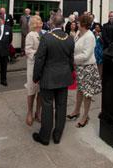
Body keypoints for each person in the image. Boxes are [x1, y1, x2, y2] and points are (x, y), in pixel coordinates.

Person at [32, 15, 74, 145]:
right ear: (62, 24)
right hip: (64, 77)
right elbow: (71, 60)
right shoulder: (69, 39)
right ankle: (57, 135)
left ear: (52, 23)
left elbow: (39, 60)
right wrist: (69, 72)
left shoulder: (47, 38)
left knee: (47, 106)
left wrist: (36, 76)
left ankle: (45, 137)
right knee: (61, 106)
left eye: (50, 21)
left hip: (49, 78)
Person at [67, 14, 101, 128]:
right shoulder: (78, 33)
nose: (76, 23)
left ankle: (85, 116)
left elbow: (86, 55)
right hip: (80, 67)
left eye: (78, 22)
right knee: (80, 90)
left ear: (83, 24)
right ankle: (76, 111)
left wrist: (72, 59)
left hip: (88, 67)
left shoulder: (90, 36)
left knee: (87, 93)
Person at [25, 16, 42, 126]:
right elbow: (28, 50)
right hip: (33, 66)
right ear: (35, 23)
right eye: (40, 20)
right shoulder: (30, 35)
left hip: (42, 67)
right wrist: (39, 53)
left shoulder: (43, 33)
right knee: (31, 90)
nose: (42, 22)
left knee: (40, 91)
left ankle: (38, 112)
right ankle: (30, 112)